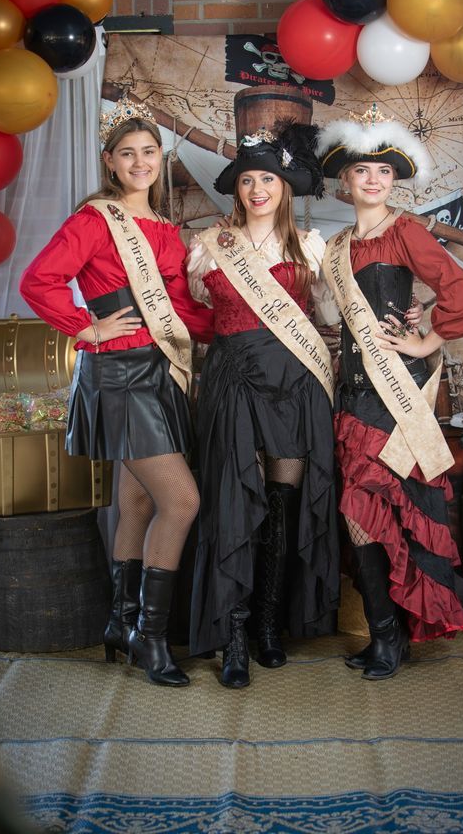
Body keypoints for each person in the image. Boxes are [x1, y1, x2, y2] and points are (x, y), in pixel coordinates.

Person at [20, 99, 214, 688]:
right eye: (127, 154)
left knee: (137, 503)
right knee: (181, 501)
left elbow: (180, 310)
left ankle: (120, 622)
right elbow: (38, 281)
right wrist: (86, 327)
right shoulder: (94, 220)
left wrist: (236, 325)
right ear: (110, 162)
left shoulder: (166, 230)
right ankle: (150, 637)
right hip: (119, 373)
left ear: (161, 158)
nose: (139, 162)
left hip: (161, 372)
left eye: (148, 152)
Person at [315, 109, 463, 681]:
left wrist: (426, 339)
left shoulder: (405, 231)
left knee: (394, 509)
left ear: (394, 180)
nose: (373, 180)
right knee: (360, 514)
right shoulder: (337, 244)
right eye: (363, 170)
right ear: (346, 179)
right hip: (352, 393)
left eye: (384, 172)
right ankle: (385, 634)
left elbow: (461, 293)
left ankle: (393, 637)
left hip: (394, 396)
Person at [186, 122, 340, 688]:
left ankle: (269, 625)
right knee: (233, 500)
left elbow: (330, 315)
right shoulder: (208, 247)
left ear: (285, 187)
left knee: (280, 505)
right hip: (233, 383)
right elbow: (195, 312)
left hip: (295, 386)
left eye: (268, 179)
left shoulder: (312, 247)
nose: (258, 190)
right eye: (248, 180)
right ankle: (233, 633)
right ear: (237, 188)